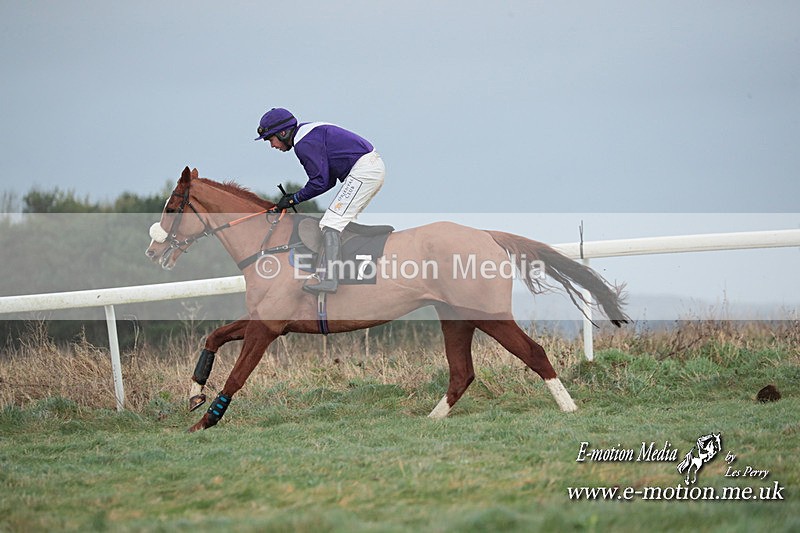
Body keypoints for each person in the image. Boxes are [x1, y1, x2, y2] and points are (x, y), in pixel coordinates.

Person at [254, 107, 385, 294]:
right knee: (336, 221)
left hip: (364, 171)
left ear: (283, 133)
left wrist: (294, 199)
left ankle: (330, 279)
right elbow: (327, 181)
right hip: (367, 169)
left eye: (270, 139)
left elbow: (320, 182)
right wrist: (295, 198)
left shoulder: (303, 144)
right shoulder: (306, 134)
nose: (272, 145)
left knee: (330, 223)